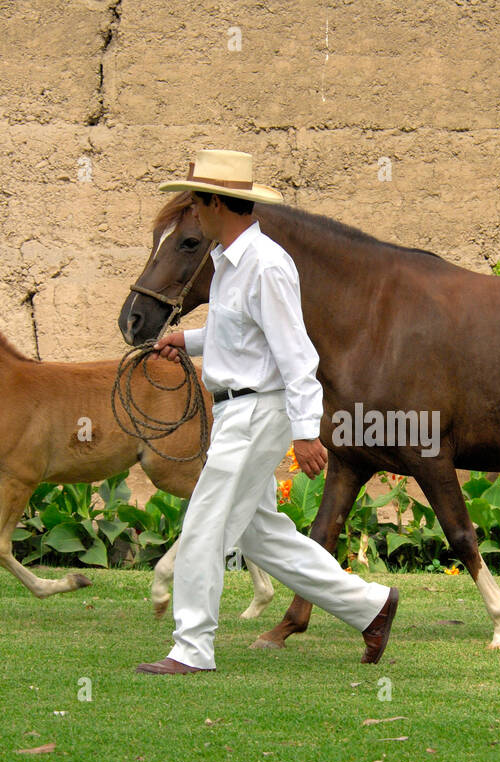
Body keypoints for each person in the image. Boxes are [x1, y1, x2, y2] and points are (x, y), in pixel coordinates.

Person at [136, 149, 399, 675]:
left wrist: (306, 432)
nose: (191, 212)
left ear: (215, 203)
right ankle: (370, 606)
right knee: (262, 534)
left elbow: (296, 354)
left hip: (258, 412)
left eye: (194, 202)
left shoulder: (267, 264)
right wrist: (183, 340)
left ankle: (191, 648)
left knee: (206, 524)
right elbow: (241, 337)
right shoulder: (231, 263)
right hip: (241, 409)